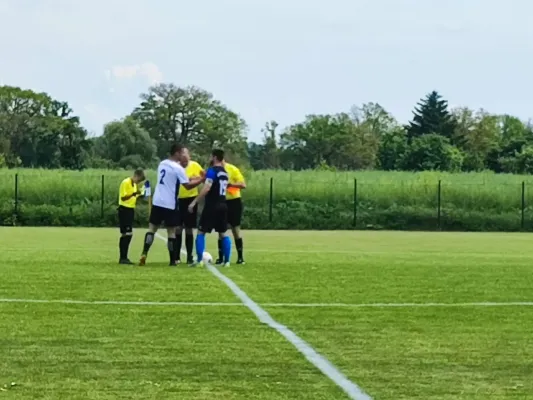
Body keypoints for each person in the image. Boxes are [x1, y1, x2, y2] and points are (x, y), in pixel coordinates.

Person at [139, 144, 203, 266]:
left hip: (157, 201)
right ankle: (173, 260)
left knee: (152, 229)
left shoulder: (162, 163)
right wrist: (201, 179)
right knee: (171, 232)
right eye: (182, 153)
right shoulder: (178, 168)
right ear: (177, 153)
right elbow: (187, 186)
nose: (184, 156)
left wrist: (192, 178)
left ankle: (144, 253)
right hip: (170, 203)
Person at [188, 149, 232, 267]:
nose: (209, 158)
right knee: (223, 233)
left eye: (211, 156)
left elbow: (207, 188)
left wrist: (194, 202)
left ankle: (199, 261)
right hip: (223, 204)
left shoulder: (212, 171)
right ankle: (227, 261)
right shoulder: (225, 173)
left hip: (212, 205)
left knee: (201, 232)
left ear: (215, 157)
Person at [215, 161, 246, 265]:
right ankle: (221, 258)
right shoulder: (214, 170)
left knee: (235, 229)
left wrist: (231, 185)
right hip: (221, 201)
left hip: (234, 201)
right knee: (221, 230)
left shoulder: (232, 169)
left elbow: (243, 184)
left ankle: (240, 257)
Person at [176, 154, 204, 265]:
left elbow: (204, 177)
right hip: (178, 199)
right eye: (183, 161)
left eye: (186, 161)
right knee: (178, 228)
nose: (184, 163)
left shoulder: (196, 165)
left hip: (191, 199)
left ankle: (189, 256)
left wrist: (196, 178)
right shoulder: (176, 167)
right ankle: (176, 257)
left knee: (189, 229)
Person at [117, 169, 146, 264]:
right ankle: (122, 257)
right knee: (126, 234)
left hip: (130, 209)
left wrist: (140, 195)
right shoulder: (126, 182)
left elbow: (134, 197)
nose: (138, 182)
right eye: (139, 180)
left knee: (128, 234)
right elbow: (123, 197)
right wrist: (134, 194)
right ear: (136, 176)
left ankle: (125, 257)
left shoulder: (135, 185)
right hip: (124, 209)